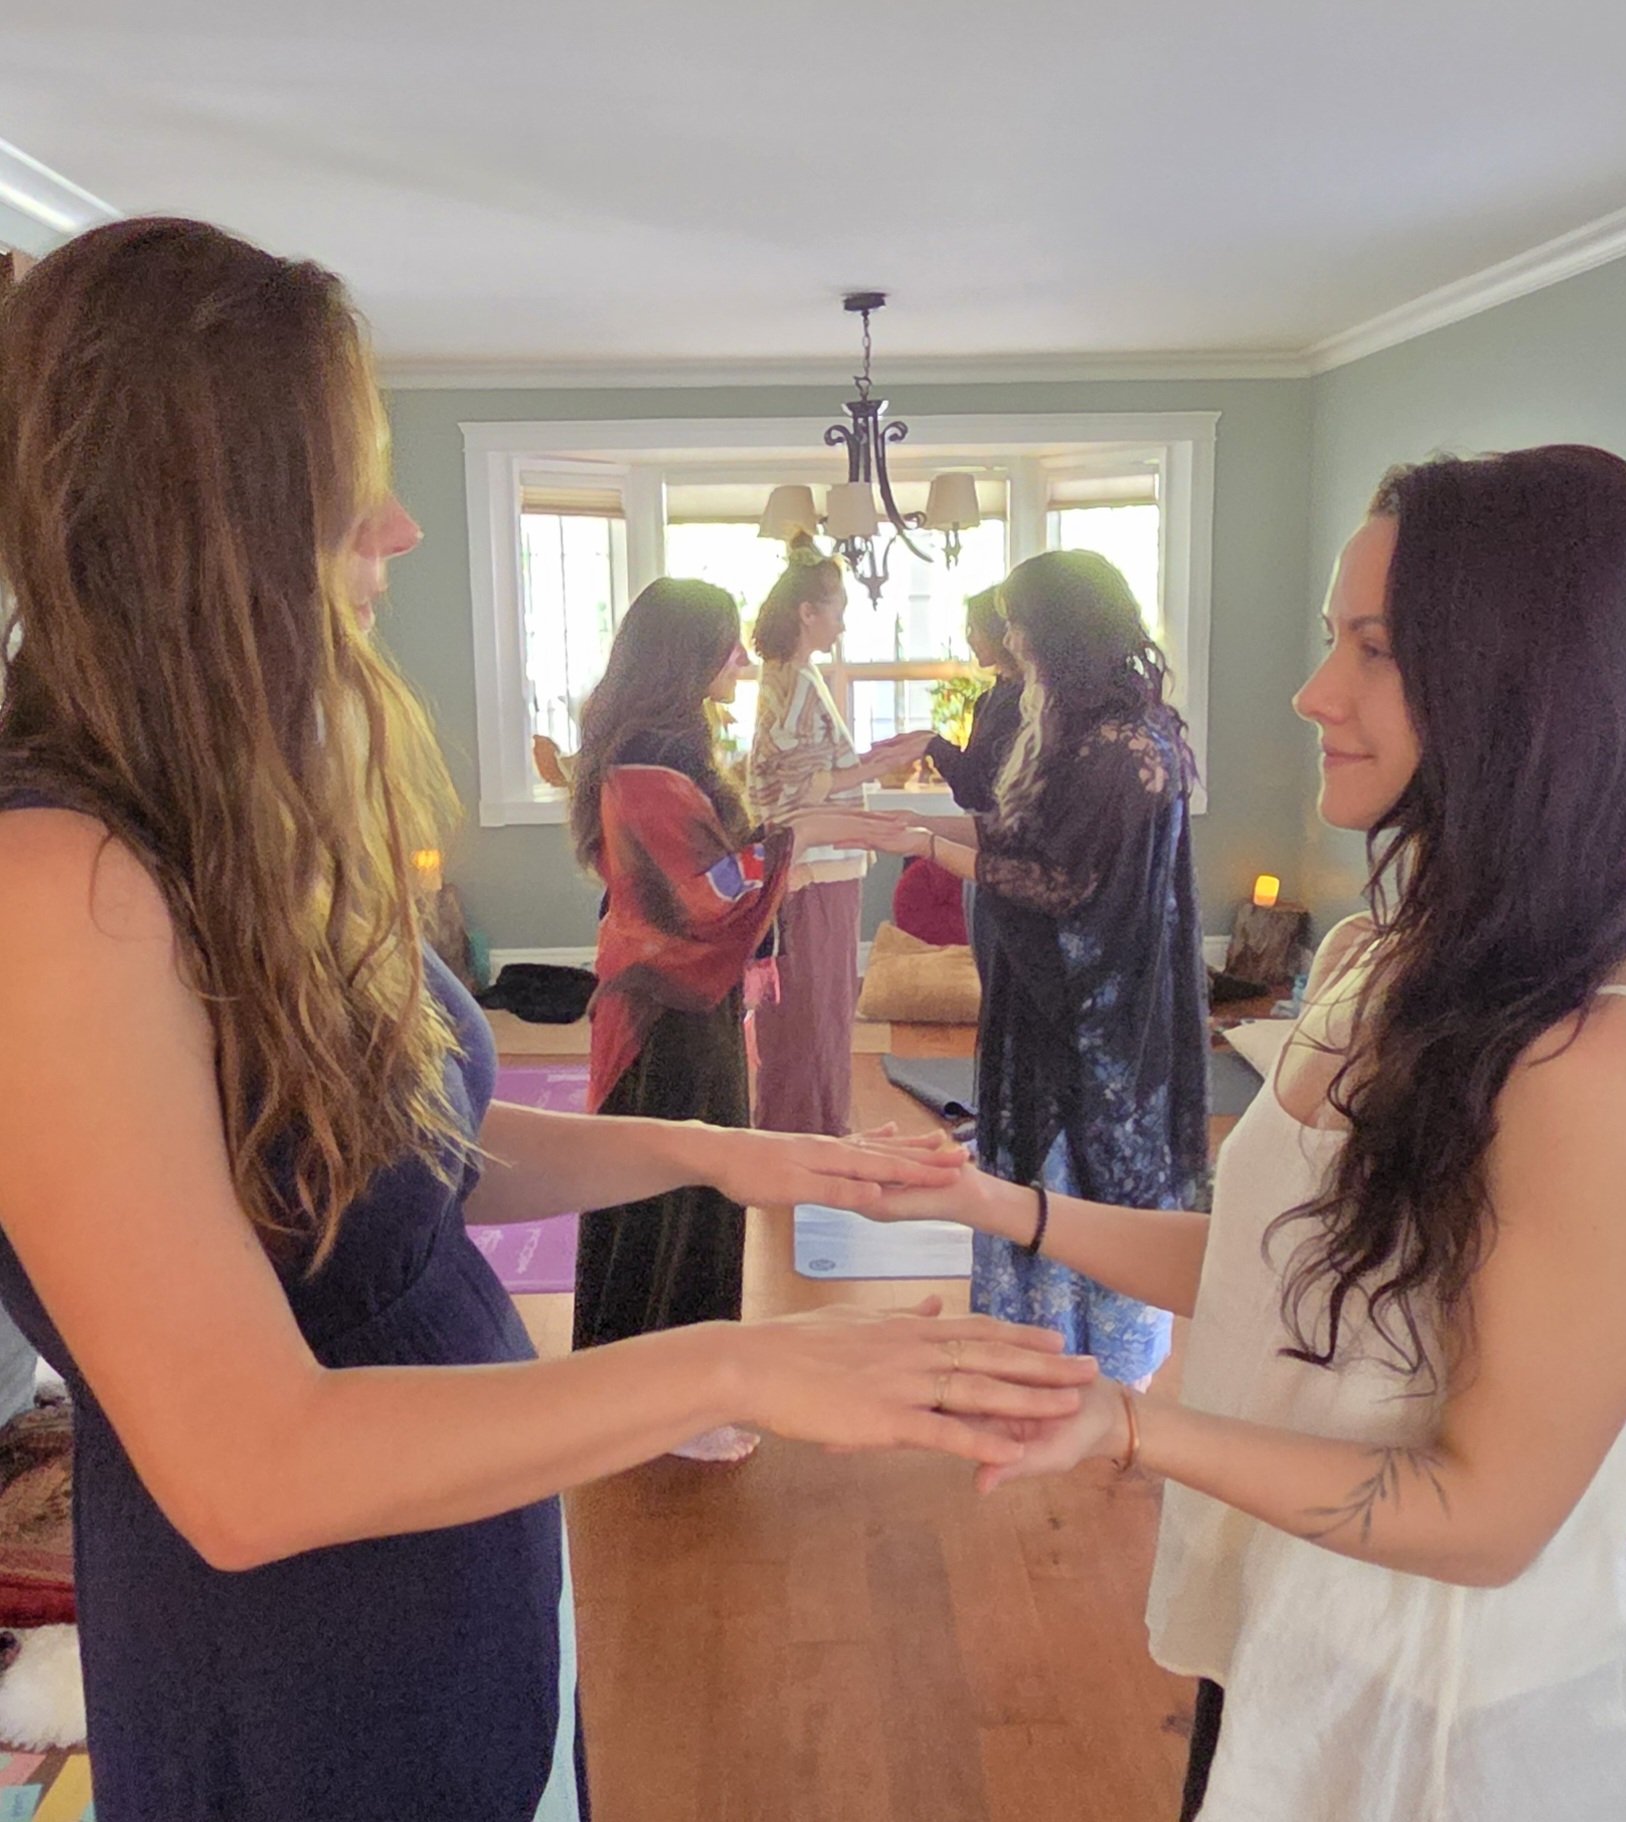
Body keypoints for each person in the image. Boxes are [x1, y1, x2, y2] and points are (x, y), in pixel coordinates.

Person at [0, 218, 1099, 1822]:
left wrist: (731, 1159)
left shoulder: (209, 822)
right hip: (305, 1672)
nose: (394, 527)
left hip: (458, 1588)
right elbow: (247, 1470)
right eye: (341, 480)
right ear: (198, 514)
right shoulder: (56, 881)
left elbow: (417, 1153)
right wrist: (743, 1362)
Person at [877, 448, 1626, 1821]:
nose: (1315, 693)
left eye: (1375, 650)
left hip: (1456, 1738)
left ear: (1522, 685)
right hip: (1294, 1646)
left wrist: (1129, 1424)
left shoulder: (1593, 1063)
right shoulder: (1376, 954)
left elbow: (1491, 1519)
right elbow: (1274, 1258)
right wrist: (994, 1204)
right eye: (1330, 641)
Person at [569, 577, 907, 1462]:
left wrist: (797, 831)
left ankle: (654, 1388)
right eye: (725, 644)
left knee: (682, 1185)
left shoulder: (663, 748)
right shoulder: (648, 760)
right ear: (687, 654)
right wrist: (790, 839)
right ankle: (671, 1403)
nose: (740, 660)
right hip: (665, 1012)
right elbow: (700, 893)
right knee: (681, 1189)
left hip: (678, 999)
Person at [852, 551, 1209, 1388]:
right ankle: (1033, 1354)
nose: (1008, 637)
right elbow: (1022, 839)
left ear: (1058, 630)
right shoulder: (1077, 725)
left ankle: (1105, 1373)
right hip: (1046, 995)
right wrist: (921, 831)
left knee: (1092, 1172)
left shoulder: (1128, 745)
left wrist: (926, 847)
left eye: (1018, 621)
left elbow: (1057, 880)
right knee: (1034, 1167)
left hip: (1102, 1009)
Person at [745, 536, 930, 1134]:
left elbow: (800, 775)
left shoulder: (790, 676)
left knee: (815, 1007)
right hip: (815, 867)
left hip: (820, 863)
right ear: (808, 612)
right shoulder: (795, 681)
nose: (842, 622)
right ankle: (810, 1131)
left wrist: (872, 764)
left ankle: (810, 1124)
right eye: (838, 609)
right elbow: (794, 786)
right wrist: (873, 770)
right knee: (814, 1008)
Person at [925, 584, 1024, 814]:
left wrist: (933, 746)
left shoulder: (1022, 702)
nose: (970, 639)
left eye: (975, 629)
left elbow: (977, 788)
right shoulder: (988, 699)